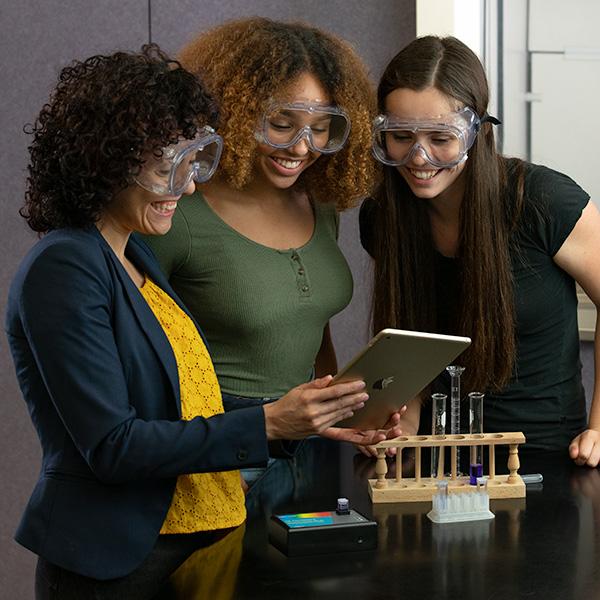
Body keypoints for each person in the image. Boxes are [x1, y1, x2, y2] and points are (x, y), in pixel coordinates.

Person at [5, 45, 378, 600]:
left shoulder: (134, 256)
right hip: (116, 561)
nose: (187, 186)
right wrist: (267, 424)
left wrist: (302, 421)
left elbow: (181, 407)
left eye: (191, 162)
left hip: (192, 544)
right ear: (106, 163)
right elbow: (113, 445)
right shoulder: (65, 265)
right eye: (166, 168)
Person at [143, 18, 401, 476]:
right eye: (281, 123)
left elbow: (309, 326)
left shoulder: (319, 207)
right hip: (216, 448)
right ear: (237, 113)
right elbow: (137, 354)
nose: (302, 147)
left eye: (322, 128)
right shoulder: (179, 211)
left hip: (308, 448)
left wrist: (343, 410)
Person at [359, 35, 600, 466]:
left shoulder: (544, 200)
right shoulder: (383, 217)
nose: (419, 157)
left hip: (545, 454)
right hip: (436, 457)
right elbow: (410, 339)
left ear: (477, 130)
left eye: (441, 138)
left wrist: (599, 427)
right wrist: (401, 426)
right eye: (400, 136)